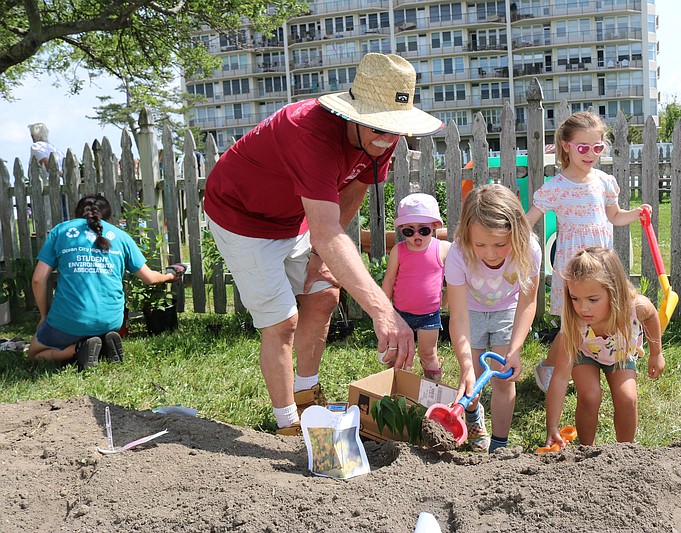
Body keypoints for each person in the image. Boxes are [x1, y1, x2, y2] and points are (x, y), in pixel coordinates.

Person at [202, 53, 444, 436]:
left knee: (324, 293)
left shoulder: (383, 139)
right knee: (282, 322)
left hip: (294, 216)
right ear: (353, 114)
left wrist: (319, 258)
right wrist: (384, 312)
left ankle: (305, 395)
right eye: (378, 126)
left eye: (393, 128)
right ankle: (287, 425)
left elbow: (351, 196)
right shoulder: (309, 133)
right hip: (241, 217)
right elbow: (329, 231)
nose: (386, 137)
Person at [526, 111, 650, 393]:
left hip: (602, 264)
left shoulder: (604, 181)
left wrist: (637, 213)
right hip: (573, 266)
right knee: (572, 324)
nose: (591, 154)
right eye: (583, 147)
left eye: (598, 147)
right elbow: (528, 220)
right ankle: (550, 367)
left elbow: (615, 216)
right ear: (566, 145)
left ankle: (595, 359)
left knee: (595, 317)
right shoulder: (556, 187)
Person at [28, 194, 183, 369]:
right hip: (112, 321)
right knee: (95, 326)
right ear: (107, 216)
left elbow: (38, 280)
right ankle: (101, 342)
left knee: (34, 354)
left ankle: (79, 349)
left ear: (78, 214)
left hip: (69, 320)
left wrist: (43, 316)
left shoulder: (61, 231)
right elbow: (150, 278)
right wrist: (170, 276)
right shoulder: (121, 236)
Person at [445, 184, 541, 452]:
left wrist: (516, 347)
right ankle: (474, 418)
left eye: (500, 244)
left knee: (503, 377)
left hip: (507, 310)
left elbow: (527, 302)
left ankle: (500, 444)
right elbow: (459, 316)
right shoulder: (458, 254)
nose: (490, 253)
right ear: (467, 236)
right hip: (471, 311)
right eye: (481, 244)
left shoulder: (530, 249)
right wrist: (465, 364)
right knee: (472, 377)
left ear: (517, 233)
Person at [544, 247, 665, 447]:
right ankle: (586, 449)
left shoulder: (636, 307)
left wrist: (656, 353)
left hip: (620, 354)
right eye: (575, 298)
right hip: (586, 355)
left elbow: (652, 316)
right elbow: (559, 378)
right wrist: (552, 427)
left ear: (614, 292)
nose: (583, 308)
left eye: (593, 300)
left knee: (627, 398)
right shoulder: (576, 324)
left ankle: (624, 450)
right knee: (590, 397)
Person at [381, 193, 451, 382]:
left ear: (435, 226)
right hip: (399, 314)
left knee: (428, 354)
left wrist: (448, 299)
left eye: (424, 230)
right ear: (402, 229)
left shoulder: (443, 249)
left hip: (429, 315)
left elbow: (455, 277)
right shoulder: (399, 250)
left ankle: (433, 389)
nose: (417, 235)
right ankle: (395, 389)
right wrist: (384, 310)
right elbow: (389, 280)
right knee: (396, 354)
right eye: (409, 231)